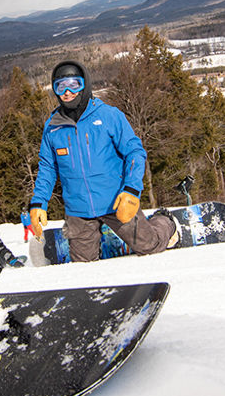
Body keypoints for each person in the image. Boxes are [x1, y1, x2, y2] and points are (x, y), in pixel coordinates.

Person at [28, 61, 178, 262]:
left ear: (85, 85)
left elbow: (134, 152)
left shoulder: (108, 115)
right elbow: (47, 168)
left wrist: (131, 189)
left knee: (149, 246)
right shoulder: (52, 127)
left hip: (115, 201)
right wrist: (39, 202)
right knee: (84, 265)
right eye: (60, 86)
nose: (67, 92)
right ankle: (100, 239)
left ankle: (165, 222)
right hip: (78, 209)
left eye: (74, 84)